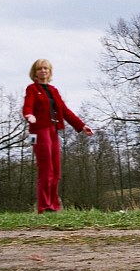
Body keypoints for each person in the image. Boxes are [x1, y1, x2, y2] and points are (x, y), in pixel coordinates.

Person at [22, 59, 94, 213]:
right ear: (34, 72)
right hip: (39, 131)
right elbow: (27, 105)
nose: (43, 71)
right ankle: (44, 206)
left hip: (53, 130)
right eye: (40, 69)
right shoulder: (32, 89)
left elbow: (65, 111)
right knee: (46, 169)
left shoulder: (53, 91)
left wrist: (81, 126)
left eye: (46, 68)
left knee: (56, 171)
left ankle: (54, 206)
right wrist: (29, 115)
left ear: (50, 71)